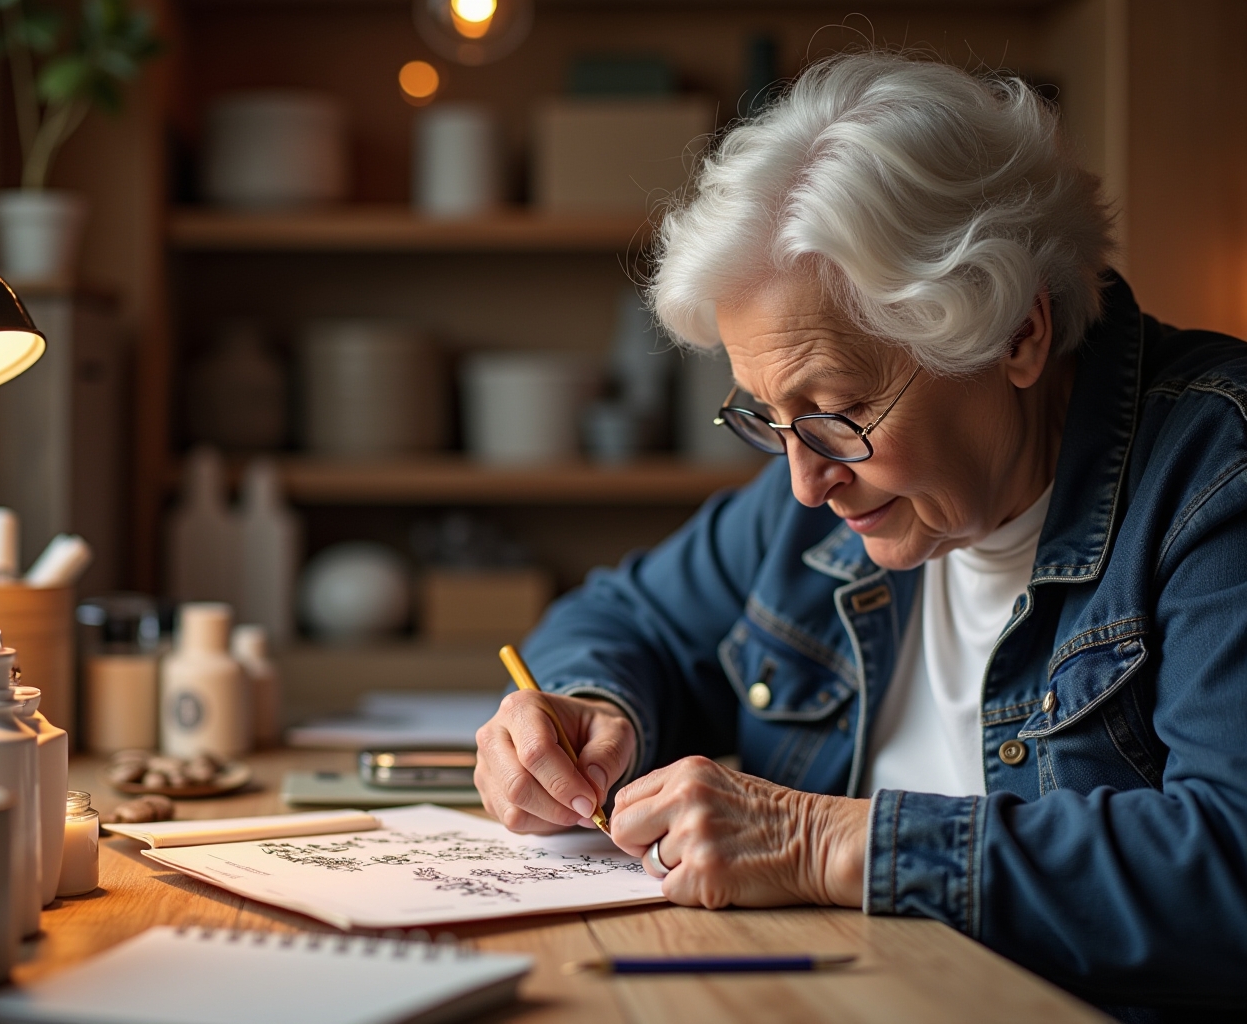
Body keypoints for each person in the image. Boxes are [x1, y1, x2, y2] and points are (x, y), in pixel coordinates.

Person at [473, 51, 1247, 1021]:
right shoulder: (830, 490)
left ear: (1016, 332)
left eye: (836, 411)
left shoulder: (1217, 474)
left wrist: (823, 841)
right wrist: (591, 706)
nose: (802, 483)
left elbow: (1229, 866)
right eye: (765, 416)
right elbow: (620, 612)